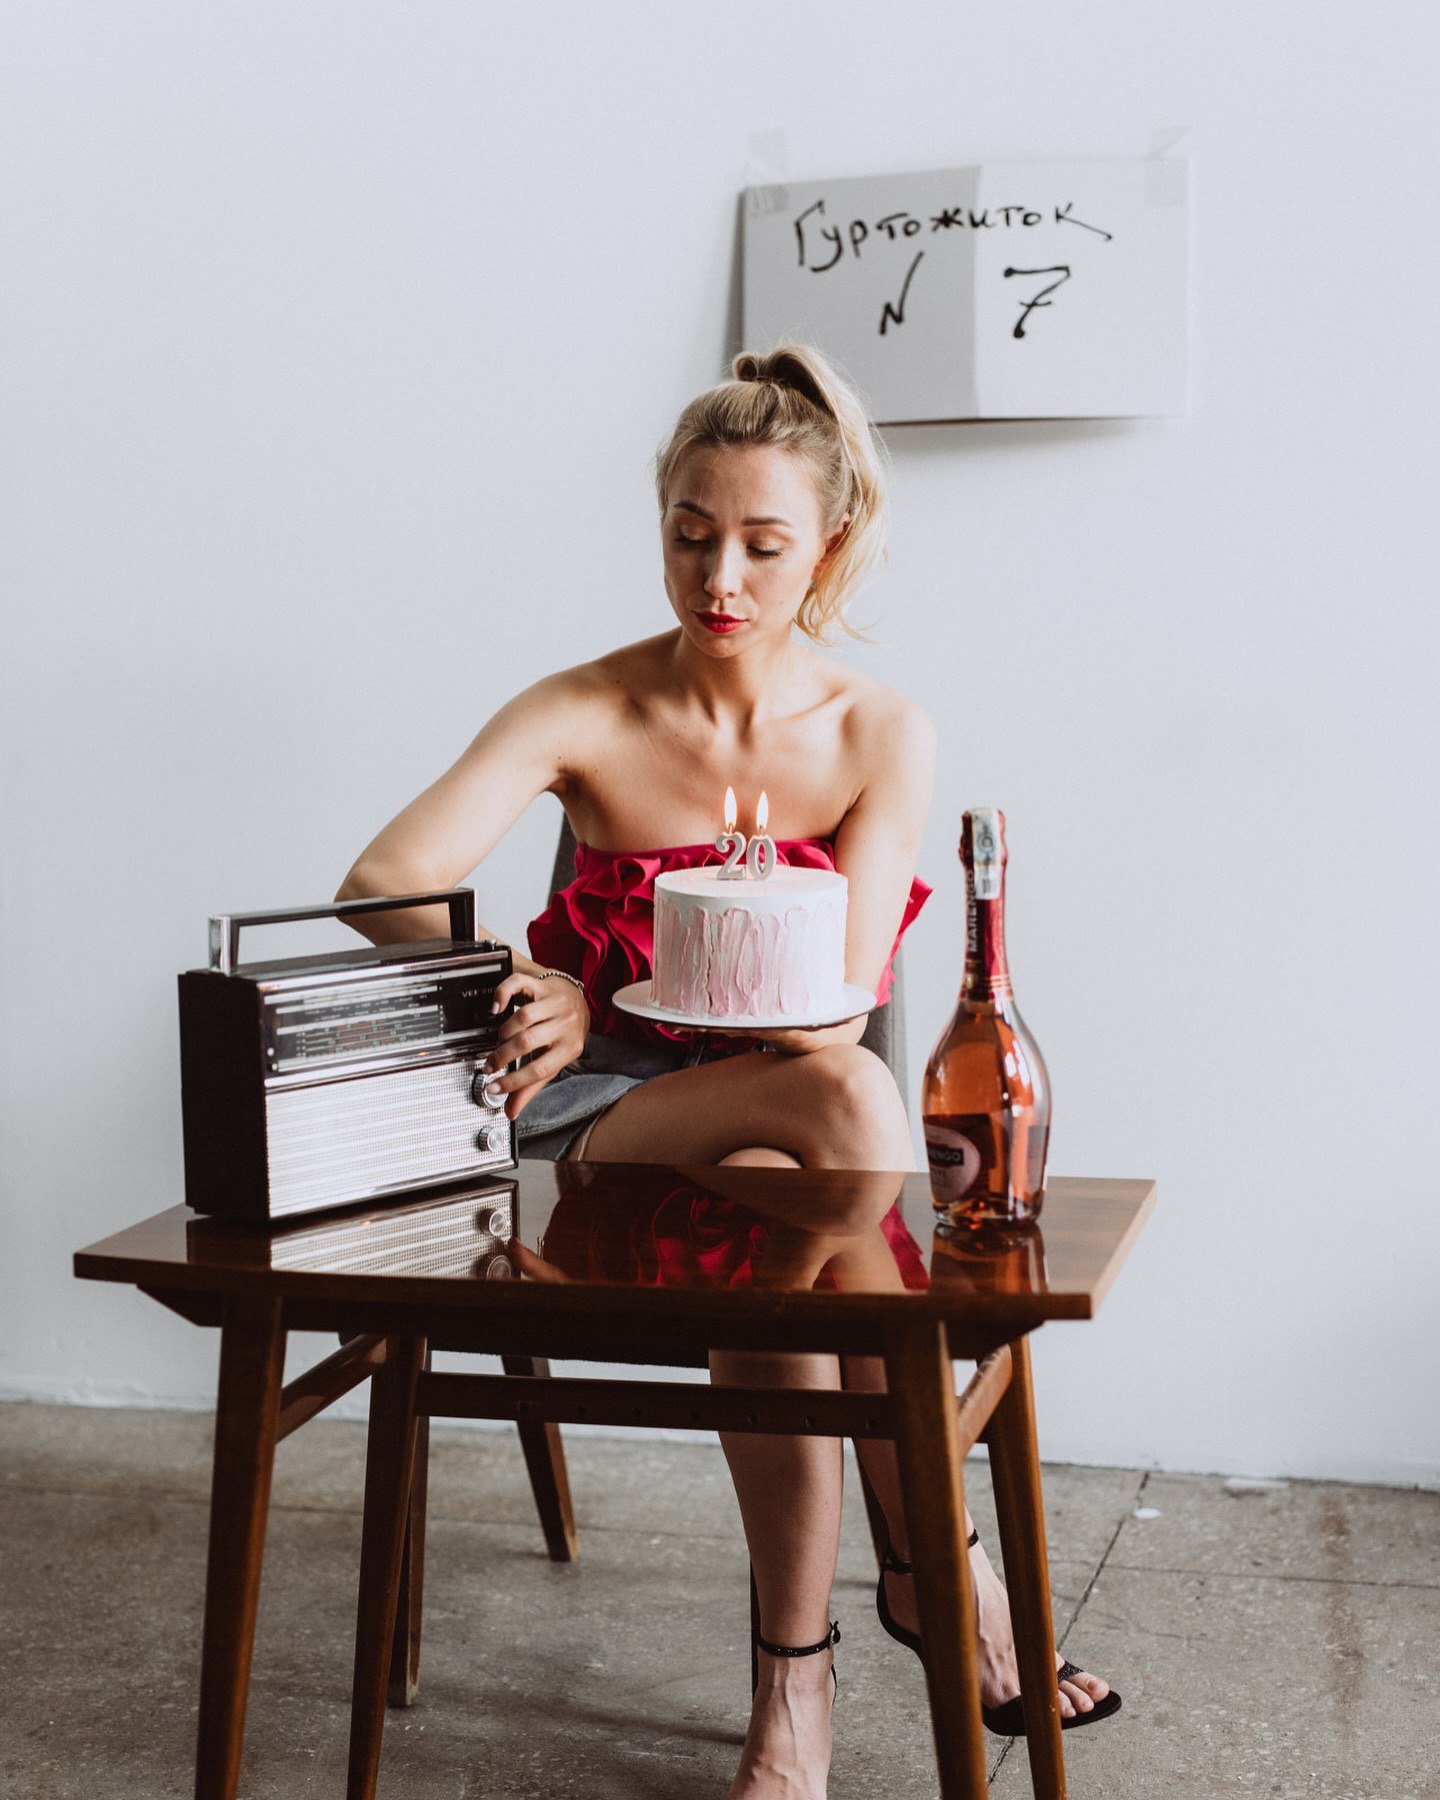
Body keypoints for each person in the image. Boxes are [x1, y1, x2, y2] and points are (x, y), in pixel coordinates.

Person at [336, 343, 1115, 1798]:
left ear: (829, 540)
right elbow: (381, 881)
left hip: (793, 1120)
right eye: (691, 535)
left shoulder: (879, 731)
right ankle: (936, 1557)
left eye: (761, 543)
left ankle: (792, 1690)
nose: (721, 579)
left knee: (796, 1178)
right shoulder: (585, 708)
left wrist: (664, 967)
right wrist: (541, 982)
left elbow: (834, 1010)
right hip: (599, 1121)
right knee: (844, 1118)